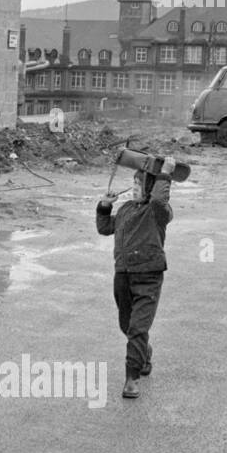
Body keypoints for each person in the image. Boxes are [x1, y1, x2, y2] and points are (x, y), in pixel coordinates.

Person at [96, 163, 175, 399]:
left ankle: (132, 378)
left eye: (139, 184)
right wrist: (104, 207)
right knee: (127, 326)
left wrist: (165, 175)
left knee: (138, 328)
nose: (134, 188)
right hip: (123, 275)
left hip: (149, 276)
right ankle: (144, 353)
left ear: (151, 187)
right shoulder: (126, 209)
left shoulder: (158, 211)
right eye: (133, 183)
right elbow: (105, 228)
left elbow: (160, 201)